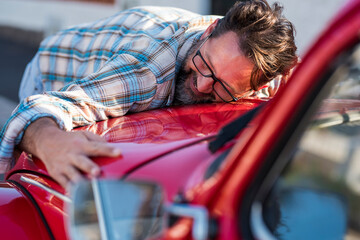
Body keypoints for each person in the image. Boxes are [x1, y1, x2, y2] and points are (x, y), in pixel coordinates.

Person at [0, 0, 297, 187]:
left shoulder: (248, 63)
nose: (203, 85)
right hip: (56, 66)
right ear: (209, 32)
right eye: (204, 63)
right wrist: (49, 142)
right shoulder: (146, 73)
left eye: (223, 87)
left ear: (256, 86)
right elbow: (35, 111)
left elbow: (301, 85)